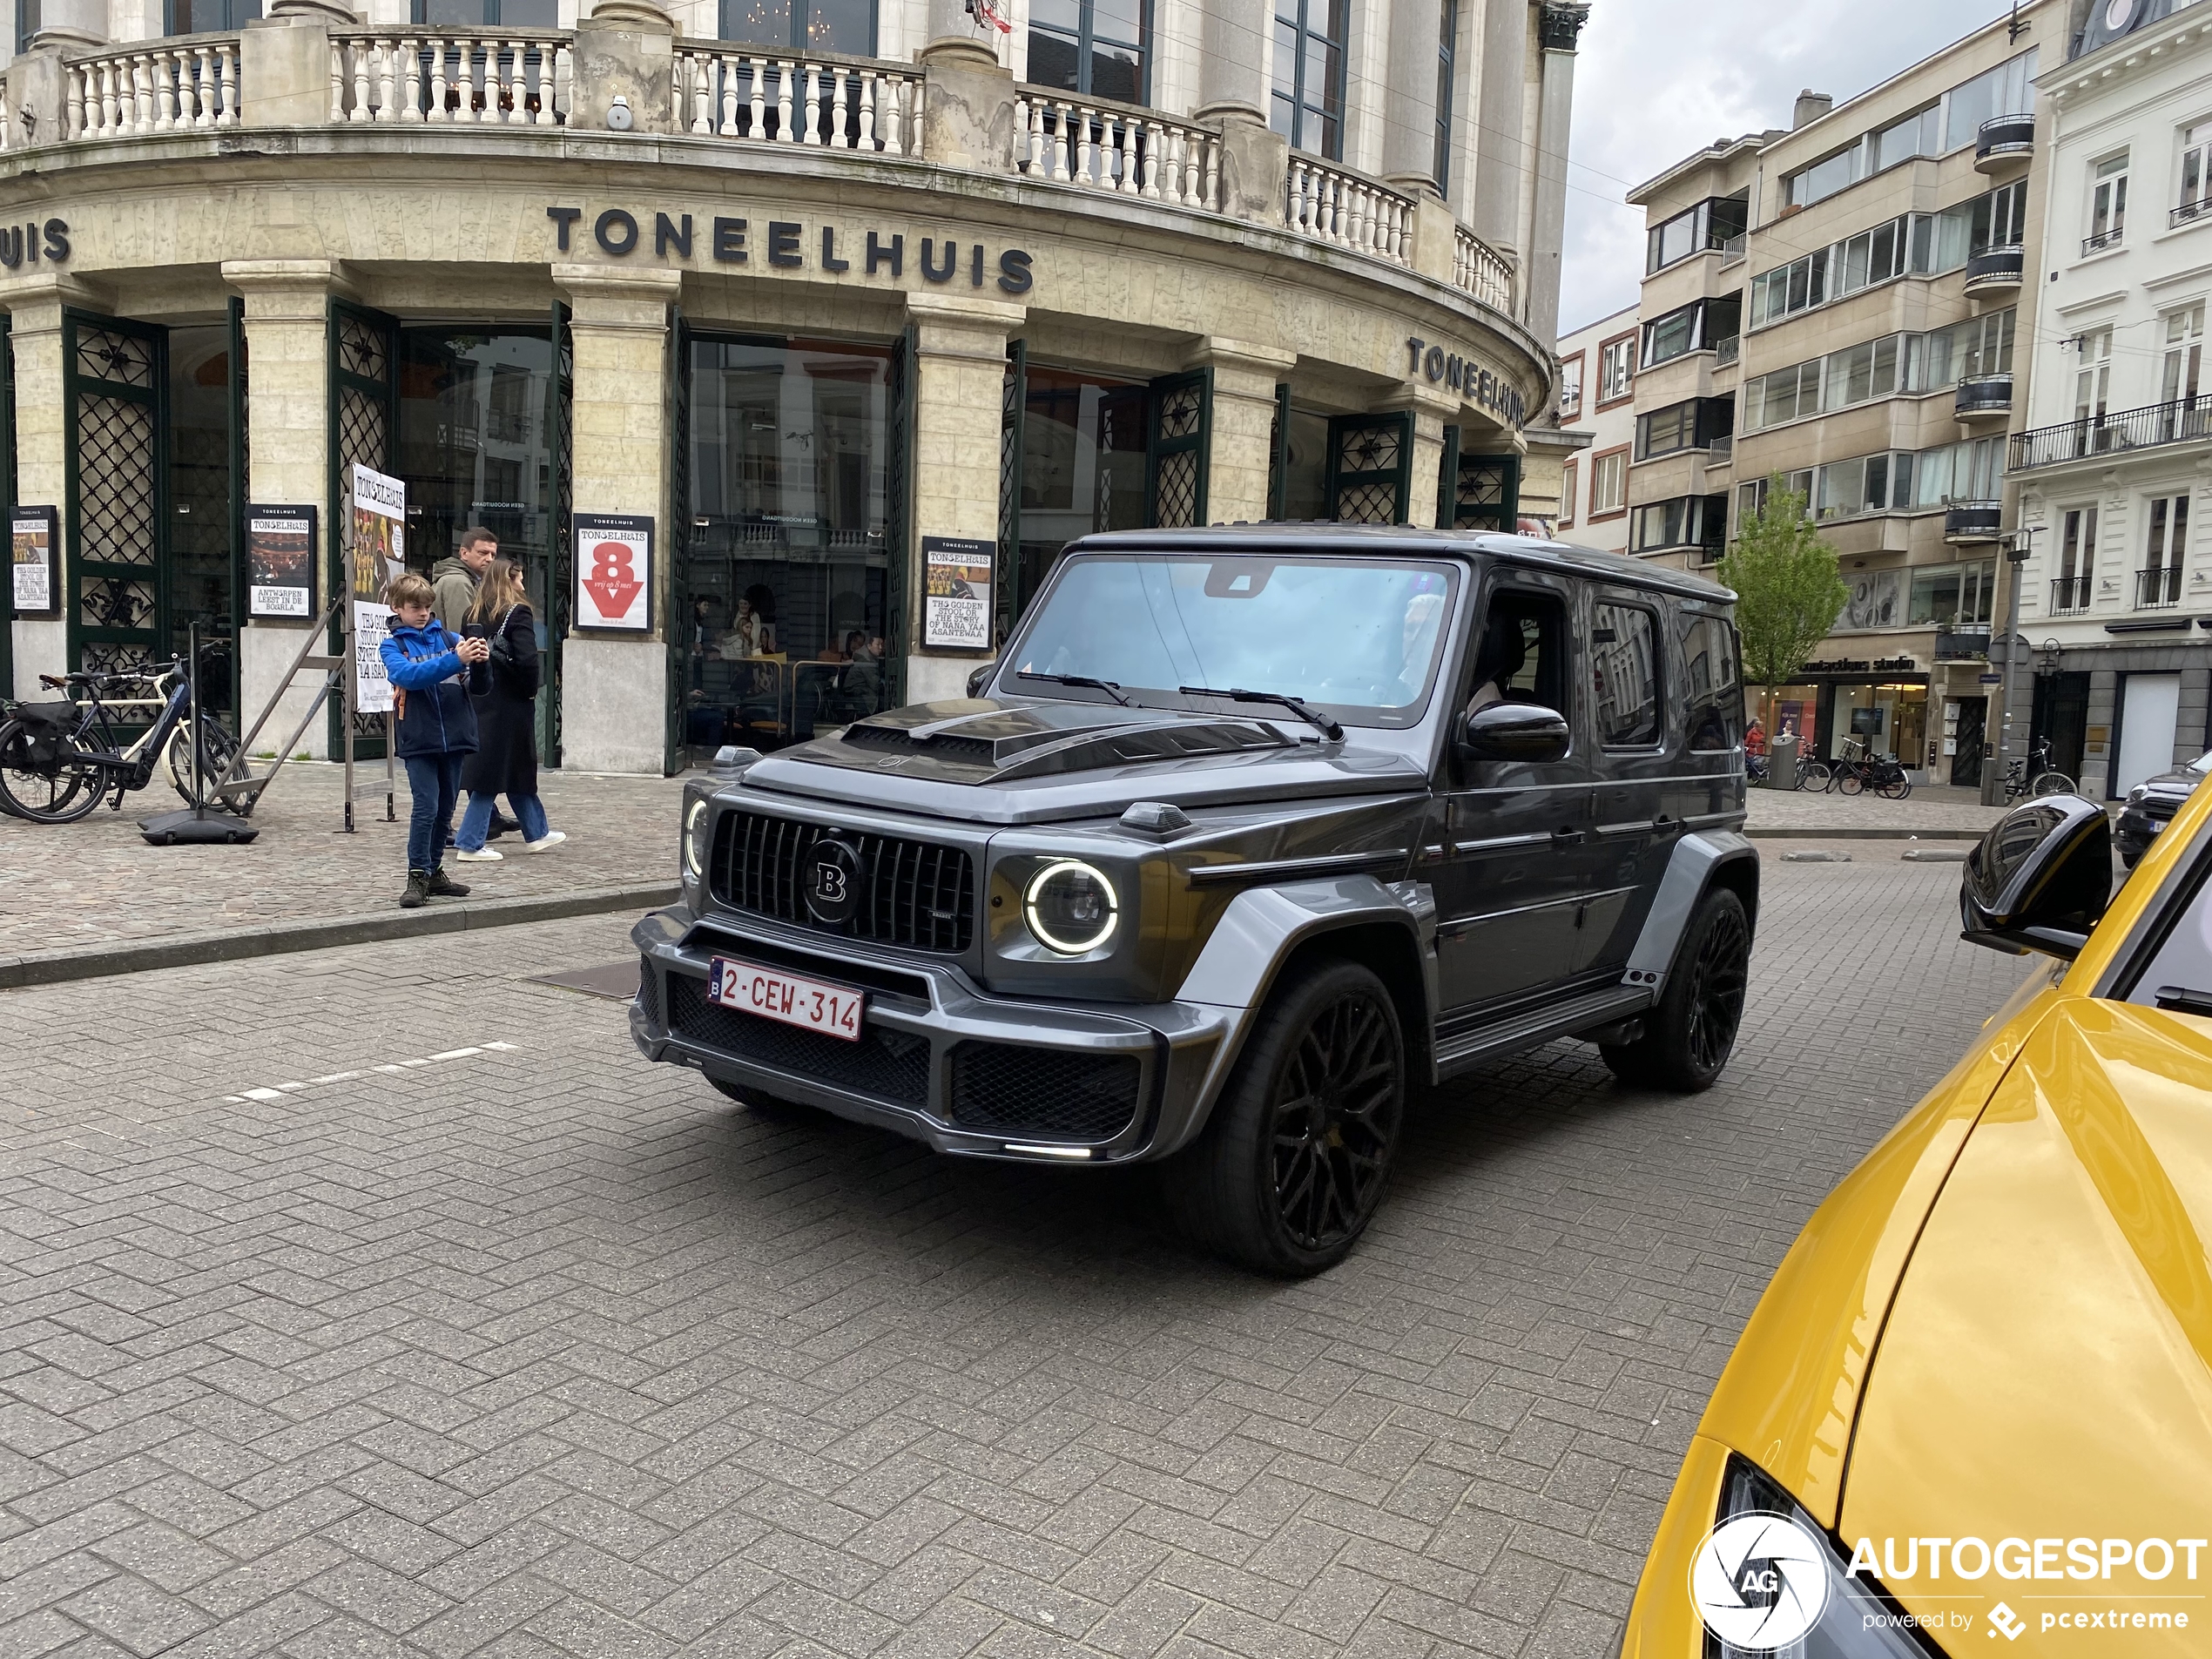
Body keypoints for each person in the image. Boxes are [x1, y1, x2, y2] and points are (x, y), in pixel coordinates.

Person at [378, 571, 490, 909]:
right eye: (415, 607)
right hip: (420, 737)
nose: (424, 613)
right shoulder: (393, 645)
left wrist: (481, 664)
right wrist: (456, 659)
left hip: (455, 735)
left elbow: (480, 688)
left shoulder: (450, 638)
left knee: (445, 810)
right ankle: (417, 875)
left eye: (427, 606)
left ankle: (435, 870)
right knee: (426, 807)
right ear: (398, 608)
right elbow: (408, 677)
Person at [452, 558, 564, 861]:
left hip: (481, 696)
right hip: (510, 703)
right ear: (508, 581)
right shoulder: (518, 613)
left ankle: (536, 832)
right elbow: (527, 660)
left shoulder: (471, 613)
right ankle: (470, 842)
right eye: (519, 580)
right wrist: (531, 690)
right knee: (492, 772)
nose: (523, 586)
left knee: (515, 769)